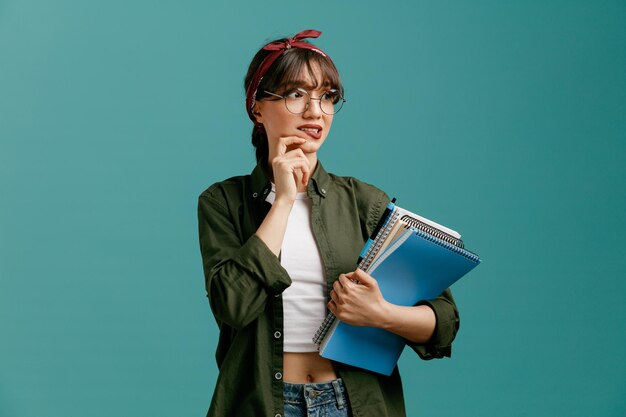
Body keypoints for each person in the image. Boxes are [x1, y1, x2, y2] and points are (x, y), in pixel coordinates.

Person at [197, 29, 459, 417]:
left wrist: (380, 313)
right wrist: (284, 201)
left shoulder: (364, 202)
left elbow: (444, 321)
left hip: (353, 402)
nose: (315, 111)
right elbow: (232, 306)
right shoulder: (223, 202)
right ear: (257, 108)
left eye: (327, 97)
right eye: (296, 94)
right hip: (264, 404)